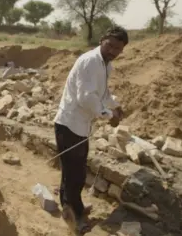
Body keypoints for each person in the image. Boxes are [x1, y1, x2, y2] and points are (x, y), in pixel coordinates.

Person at [54, 26, 127, 234]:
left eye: (117, 49)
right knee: (75, 174)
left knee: (72, 171)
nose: (112, 51)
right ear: (102, 39)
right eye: (110, 45)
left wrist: (115, 105)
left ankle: (69, 206)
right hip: (69, 124)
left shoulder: (105, 65)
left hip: (80, 126)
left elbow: (102, 93)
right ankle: (76, 216)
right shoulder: (90, 62)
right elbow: (86, 98)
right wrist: (108, 116)